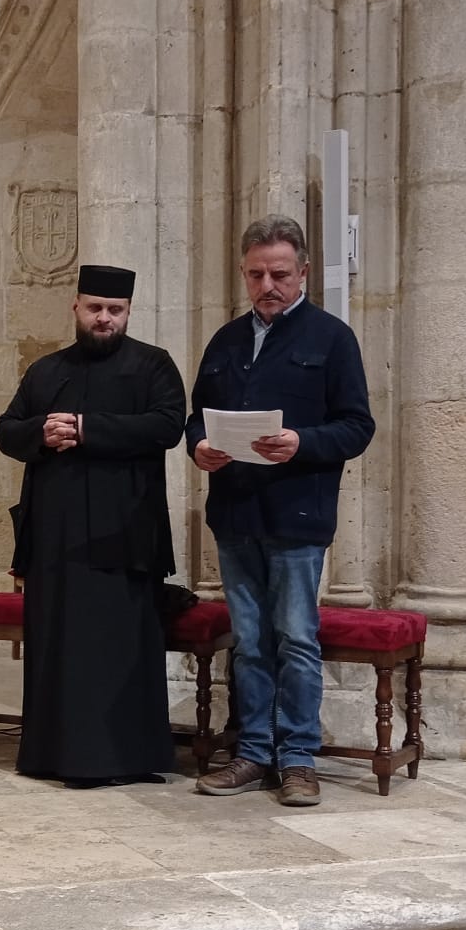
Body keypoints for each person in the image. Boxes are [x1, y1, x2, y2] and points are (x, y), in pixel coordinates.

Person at [186, 215, 374, 807]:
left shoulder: (331, 338)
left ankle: (297, 758)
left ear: (304, 274)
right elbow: (198, 414)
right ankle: (252, 752)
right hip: (236, 513)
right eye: (257, 274)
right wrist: (199, 446)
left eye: (280, 274)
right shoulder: (226, 341)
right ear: (244, 274)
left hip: (297, 516)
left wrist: (302, 443)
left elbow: (357, 426)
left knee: (295, 638)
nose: (268, 285)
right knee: (249, 640)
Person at [0, 265, 186, 788]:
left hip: (123, 533)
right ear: (75, 308)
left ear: (127, 314)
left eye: (115, 310)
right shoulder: (45, 371)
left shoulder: (153, 366)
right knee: (59, 648)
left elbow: (168, 425)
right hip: (54, 539)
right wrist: (42, 431)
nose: (104, 318)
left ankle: (124, 757)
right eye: (95, 307)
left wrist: (86, 428)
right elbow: (6, 430)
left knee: (117, 649)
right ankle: (51, 755)